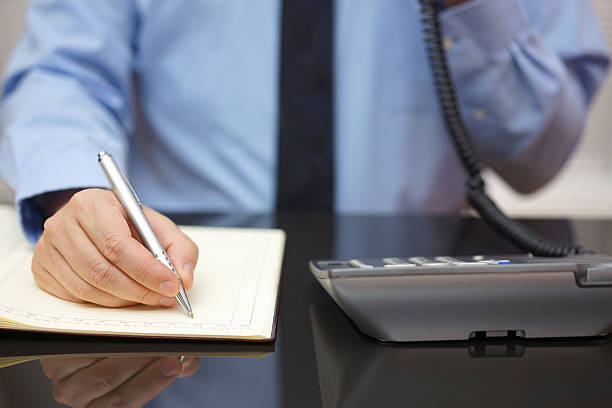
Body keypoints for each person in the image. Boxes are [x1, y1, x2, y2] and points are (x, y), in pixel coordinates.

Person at [0, 0, 609, 308]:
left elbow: (540, 156)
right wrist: (79, 195)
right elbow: (63, 73)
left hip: (418, 303)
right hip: (177, 289)